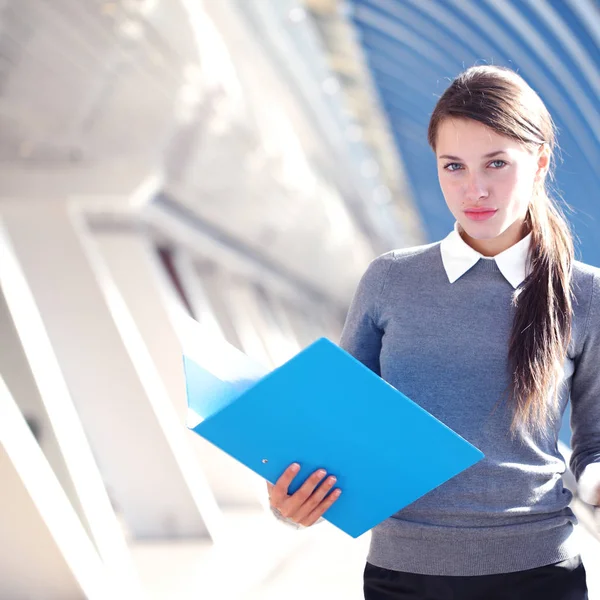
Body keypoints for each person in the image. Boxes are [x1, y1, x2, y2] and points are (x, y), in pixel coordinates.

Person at [267, 65, 600, 599]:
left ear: (539, 162)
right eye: (454, 166)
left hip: (540, 577)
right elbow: (335, 429)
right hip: (402, 580)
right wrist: (291, 500)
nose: (475, 188)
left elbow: (594, 446)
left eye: (497, 163)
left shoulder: (585, 294)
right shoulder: (389, 280)